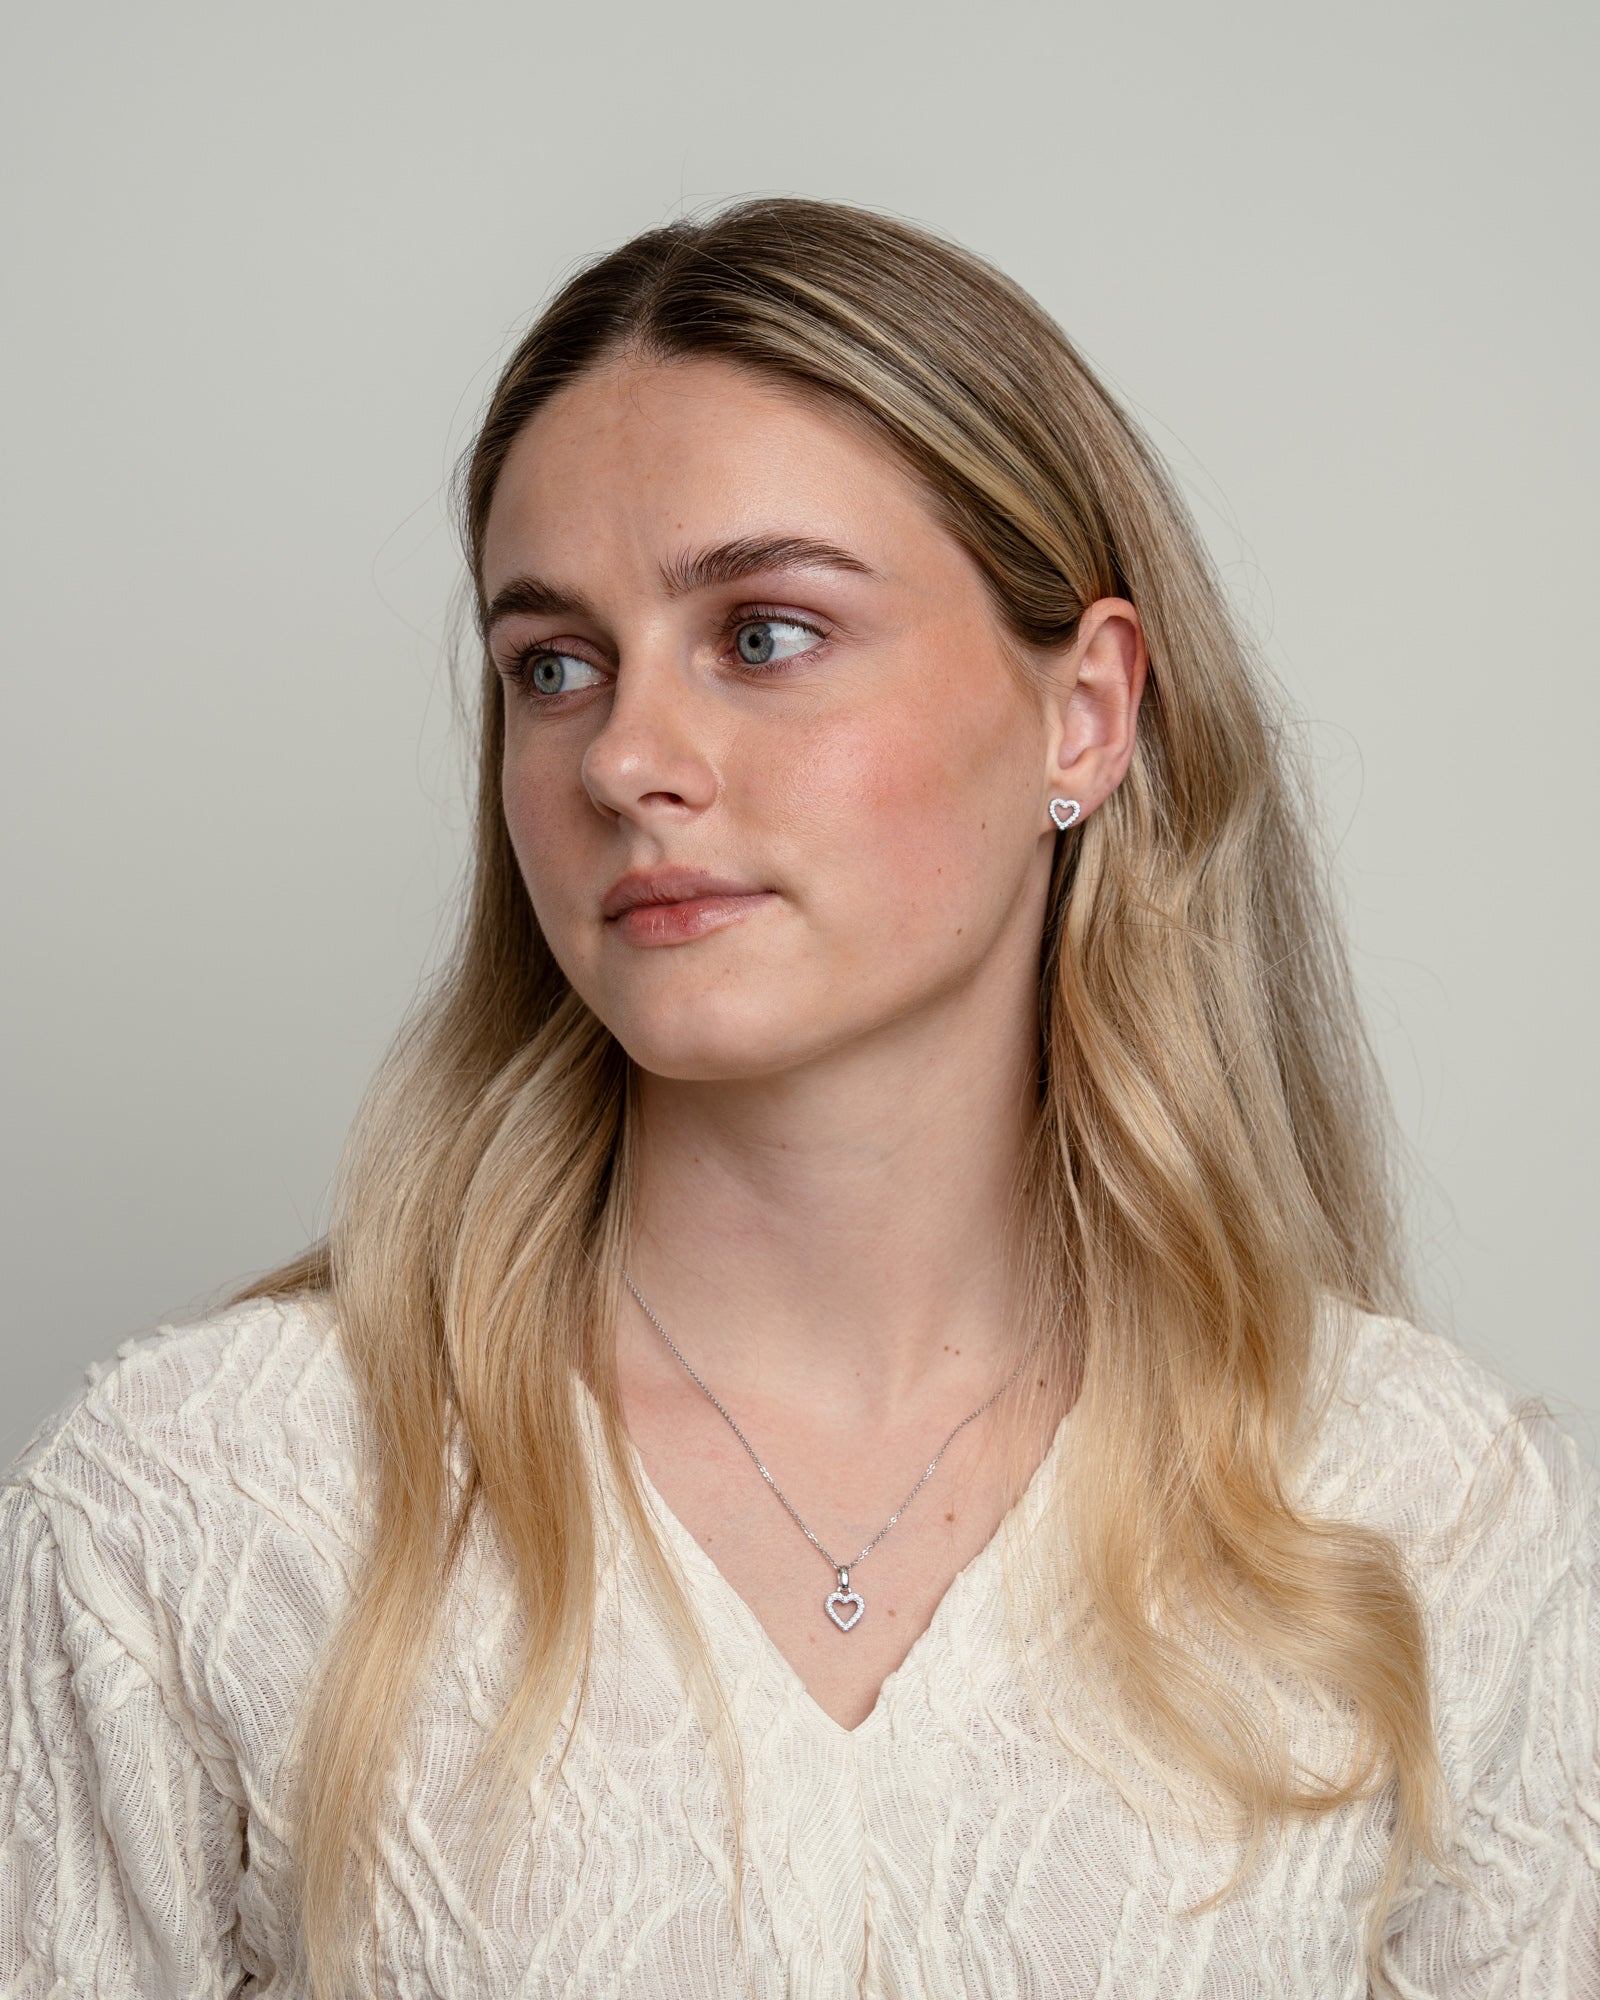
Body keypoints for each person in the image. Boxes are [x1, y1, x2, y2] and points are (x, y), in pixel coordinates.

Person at [2, 196, 1595, 2000]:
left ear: (1084, 714)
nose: (624, 758)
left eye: (764, 634)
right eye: (553, 666)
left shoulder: (1419, 1512)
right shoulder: (209, 1507)